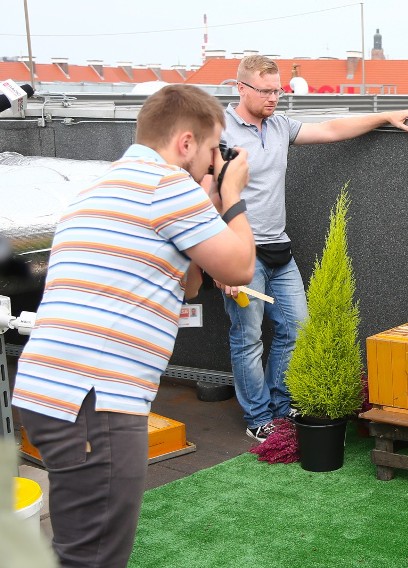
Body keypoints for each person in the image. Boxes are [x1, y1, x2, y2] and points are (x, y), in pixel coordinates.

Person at [12, 84, 256, 567]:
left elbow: (187, 286)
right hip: (95, 400)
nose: (213, 162)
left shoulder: (98, 188)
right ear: (185, 143)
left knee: (77, 545)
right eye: (212, 150)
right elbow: (240, 267)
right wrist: (231, 196)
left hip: (51, 394)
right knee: (95, 557)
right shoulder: (168, 187)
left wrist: (203, 200)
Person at [219, 54, 408, 442]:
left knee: (297, 328)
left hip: (278, 250)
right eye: (265, 91)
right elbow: (207, 198)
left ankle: (281, 407)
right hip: (239, 254)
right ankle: (258, 417)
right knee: (247, 337)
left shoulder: (279, 126)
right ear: (241, 88)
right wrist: (220, 266)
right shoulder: (221, 132)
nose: (274, 98)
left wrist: (384, 116)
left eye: (277, 90)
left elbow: (331, 129)